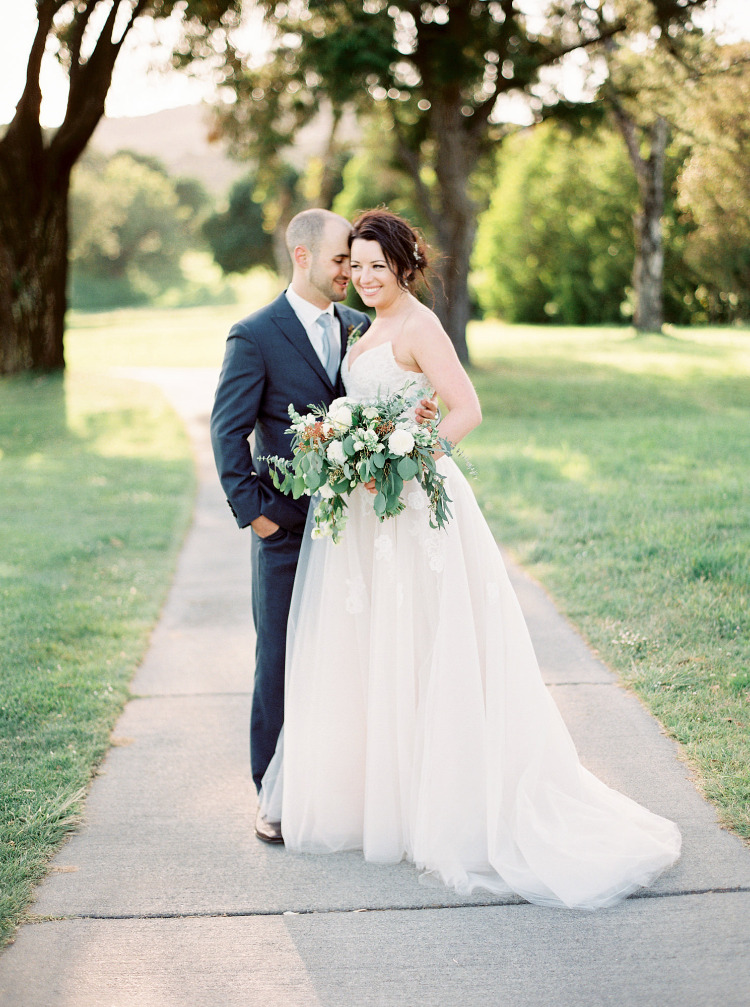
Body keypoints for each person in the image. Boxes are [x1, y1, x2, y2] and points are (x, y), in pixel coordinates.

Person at [258, 208, 681, 911]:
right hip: (367, 514)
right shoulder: (365, 330)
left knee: (431, 642)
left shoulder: (421, 325)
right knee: (380, 650)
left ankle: (450, 803)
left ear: (404, 266)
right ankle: (386, 799)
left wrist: (406, 457)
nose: (363, 277)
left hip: (415, 504)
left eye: (375, 265)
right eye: (354, 265)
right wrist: (354, 447)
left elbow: (465, 408)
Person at [210, 208, 436, 844]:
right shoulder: (254, 334)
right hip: (285, 531)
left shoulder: (362, 327)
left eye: (360, 261)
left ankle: (342, 788)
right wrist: (257, 518)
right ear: (304, 257)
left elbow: (381, 404)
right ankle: (272, 795)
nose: (353, 272)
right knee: (280, 658)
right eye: (343, 260)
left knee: (348, 660)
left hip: (357, 531)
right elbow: (227, 433)